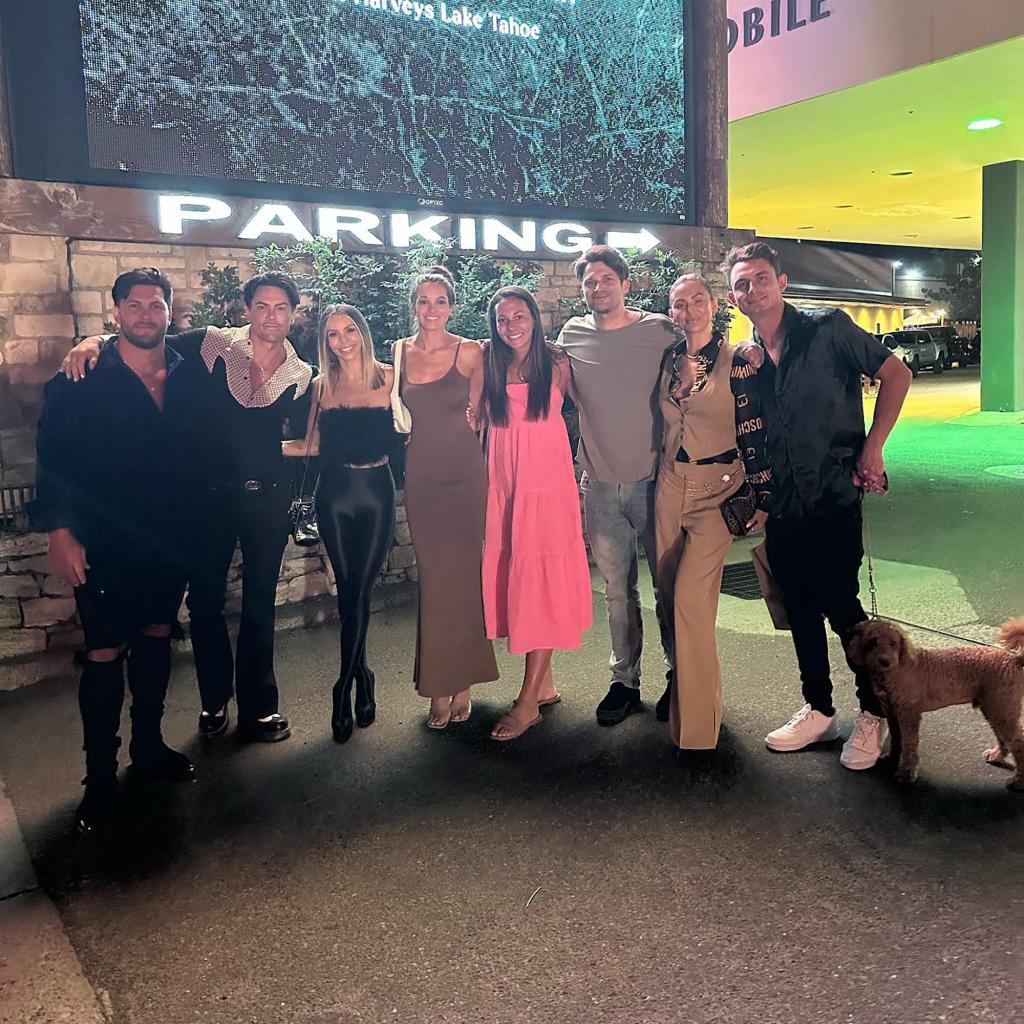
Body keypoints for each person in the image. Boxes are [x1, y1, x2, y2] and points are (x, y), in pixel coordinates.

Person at [61, 272, 314, 743]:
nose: (271, 316)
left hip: (266, 500)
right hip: (209, 498)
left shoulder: (301, 376)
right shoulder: (212, 345)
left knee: (260, 605)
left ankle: (260, 707)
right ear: (246, 309)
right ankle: (213, 701)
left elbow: (300, 439)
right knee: (204, 603)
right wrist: (91, 340)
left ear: (293, 316)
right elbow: (147, 339)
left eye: (281, 308)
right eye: (262, 306)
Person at [723, 241, 912, 770]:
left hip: (833, 495)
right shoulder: (748, 360)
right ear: (733, 296)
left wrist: (873, 447)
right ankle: (819, 709)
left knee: (841, 604)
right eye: (741, 284)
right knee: (798, 606)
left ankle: (873, 713)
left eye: (760, 278)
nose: (752, 290)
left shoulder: (829, 328)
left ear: (781, 282)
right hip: (782, 505)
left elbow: (896, 374)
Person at [30, 268, 195, 834]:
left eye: (156, 305)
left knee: (155, 634)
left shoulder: (189, 367)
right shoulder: (80, 378)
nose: (146, 313)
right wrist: (59, 531)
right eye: (135, 304)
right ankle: (99, 777)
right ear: (117, 312)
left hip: (169, 535)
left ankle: (148, 747)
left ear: (171, 312)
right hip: (102, 537)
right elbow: (53, 458)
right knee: (102, 651)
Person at [654, 275, 773, 758]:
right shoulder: (667, 359)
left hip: (717, 489)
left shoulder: (741, 360)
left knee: (690, 601)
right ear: (672, 313)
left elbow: (756, 430)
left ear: (714, 304)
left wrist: (763, 495)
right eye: (679, 304)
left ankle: (698, 731)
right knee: (667, 598)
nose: (689, 310)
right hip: (668, 486)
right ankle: (682, 696)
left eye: (697, 300)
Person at [556, 245, 675, 726]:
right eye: (590, 282)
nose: (598, 287)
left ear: (626, 284)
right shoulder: (572, 334)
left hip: (655, 483)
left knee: (667, 588)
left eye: (607, 279)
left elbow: (702, 357)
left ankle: (679, 677)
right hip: (600, 486)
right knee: (617, 592)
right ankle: (624, 683)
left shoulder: (659, 331)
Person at [477, 287, 592, 741]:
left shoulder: (558, 362)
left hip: (545, 485)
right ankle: (542, 685)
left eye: (519, 315)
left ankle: (527, 702)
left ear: (534, 317)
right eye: (502, 318)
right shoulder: (488, 361)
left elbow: (596, 405)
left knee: (538, 577)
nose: (511, 325)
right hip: (504, 483)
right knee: (516, 574)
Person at [283, 305, 396, 743]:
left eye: (350, 330)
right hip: (335, 492)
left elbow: (416, 424)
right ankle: (359, 677)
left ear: (363, 332)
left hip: (377, 490)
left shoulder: (389, 376)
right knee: (349, 589)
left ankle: (343, 685)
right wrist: (254, 447)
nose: (342, 340)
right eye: (332, 335)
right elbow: (308, 444)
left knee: (360, 589)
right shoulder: (320, 385)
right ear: (325, 342)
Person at [398, 266, 499, 728]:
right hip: (421, 478)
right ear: (414, 305)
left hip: (464, 476)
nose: (431, 309)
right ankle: (438, 684)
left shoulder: (472, 351)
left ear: (452, 307)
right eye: (424, 301)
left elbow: (478, 417)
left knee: (464, 580)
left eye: (440, 301)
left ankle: (462, 685)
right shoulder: (399, 353)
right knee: (435, 583)